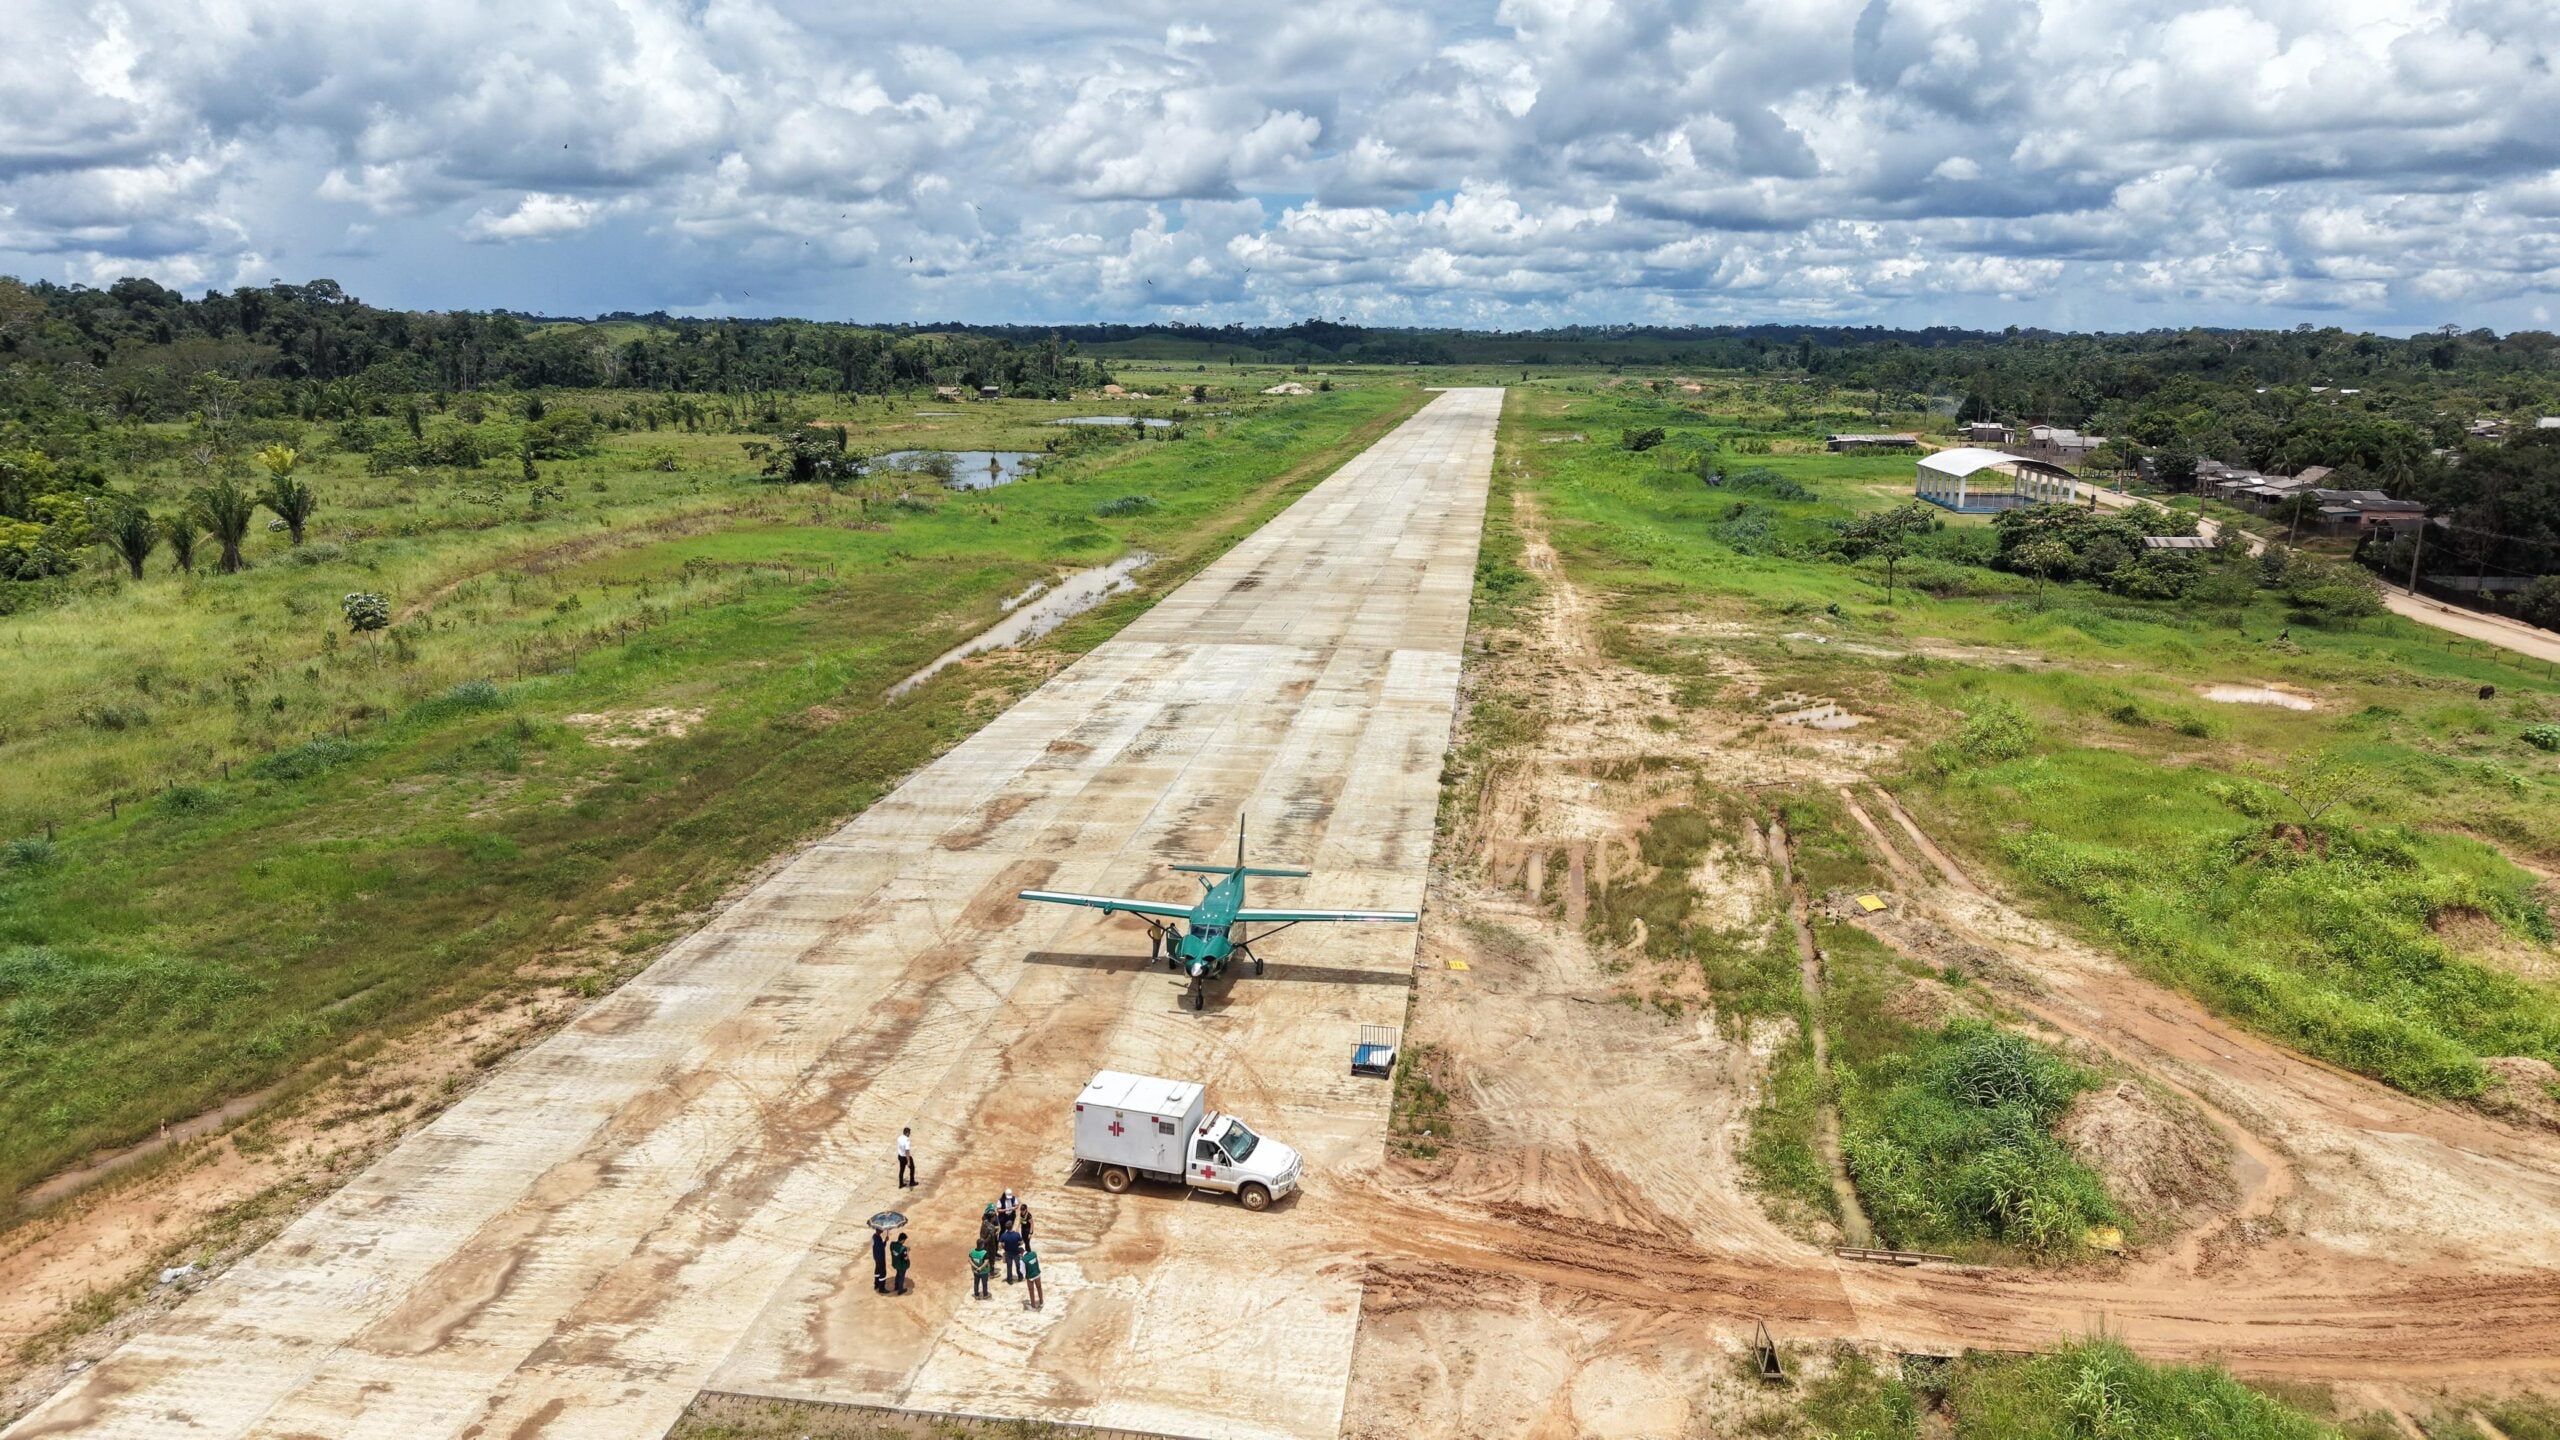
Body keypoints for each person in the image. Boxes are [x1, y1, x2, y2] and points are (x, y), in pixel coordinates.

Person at [999, 1218, 1025, 1283]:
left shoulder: (1003, 1235)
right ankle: (1020, 1276)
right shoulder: (1017, 1234)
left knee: (1009, 1267)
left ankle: (1010, 1280)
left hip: (1008, 1253)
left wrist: (1004, 1247)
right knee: (1018, 1265)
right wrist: (1017, 1245)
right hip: (1016, 1252)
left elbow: (1000, 1245)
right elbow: (1021, 1242)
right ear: (1012, 1226)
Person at [871, 1226, 888, 1295]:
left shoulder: (874, 1236)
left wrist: (885, 1241)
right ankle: (882, 1288)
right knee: (883, 1273)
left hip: (876, 1257)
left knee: (877, 1271)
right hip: (880, 1258)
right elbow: (881, 1247)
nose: (883, 1230)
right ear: (878, 1230)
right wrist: (885, 1241)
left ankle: (876, 1284)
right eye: (881, 1229)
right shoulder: (877, 1238)